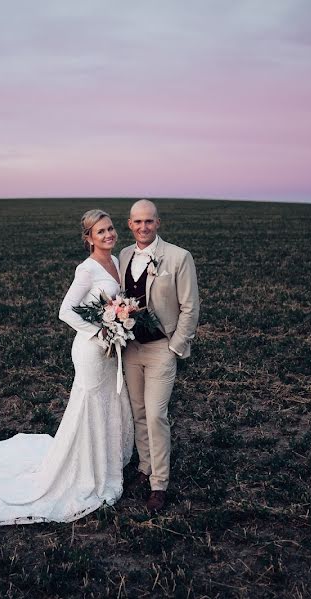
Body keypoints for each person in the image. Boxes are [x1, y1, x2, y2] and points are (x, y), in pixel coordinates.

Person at [0, 210, 134, 525]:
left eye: (110, 228)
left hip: (111, 350)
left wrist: (119, 321)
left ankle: (107, 465)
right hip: (91, 350)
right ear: (89, 238)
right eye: (100, 232)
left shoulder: (116, 261)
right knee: (90, 405)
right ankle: (89, 472)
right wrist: (99, 330)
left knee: (110, 402)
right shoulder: (86, 269)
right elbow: (65, 311)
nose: (108, 235)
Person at [119, 199, 199, 513]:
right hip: (131, 349)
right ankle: (144, 467)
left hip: (161, 350)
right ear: (130, 224)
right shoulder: (124, 255)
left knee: (156, 415)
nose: (143, 227)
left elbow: (190, 307)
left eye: (149, 221)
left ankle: (159, 484)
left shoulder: (179, 257)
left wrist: (175, 347)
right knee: (138, 412)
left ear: (158, 223)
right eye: (137, 222)